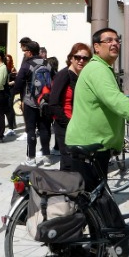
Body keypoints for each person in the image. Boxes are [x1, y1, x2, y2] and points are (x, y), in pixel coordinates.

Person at [65, 28, 129, 191]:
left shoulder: (103, 68)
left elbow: (110, 99)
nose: (114, 43)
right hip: (89, 146)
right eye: (109, 40)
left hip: (96, 146)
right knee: (91, 205)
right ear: (97, 47)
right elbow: (115, 100)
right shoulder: (97, 69)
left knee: (96, 204)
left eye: (117, 40)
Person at [50, 43, 91, 172]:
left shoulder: (80, 76)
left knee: (76, 159)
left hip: (76, 124)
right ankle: (66, 189)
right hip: (65, 124)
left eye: (85, 58)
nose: (81, 60)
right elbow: (54, 103)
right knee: (68, 160)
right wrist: (67, 123)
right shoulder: (64, 75)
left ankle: (74, 188)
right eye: (77, 57)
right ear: (71, 58)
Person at [13, 40, 52, 166]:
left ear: (29, 52)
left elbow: (18, 84)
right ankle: (46, 157)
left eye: (24, 51)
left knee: (31, 130)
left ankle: (31, 158)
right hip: (45, 101)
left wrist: (13, 96)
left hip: (30, 102)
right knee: (45, 129)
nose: (24, 53)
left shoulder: (26, 65)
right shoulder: (47, 64)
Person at [4, 54, 18, 136]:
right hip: (6, 89)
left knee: (10, 106)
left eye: (8, 60)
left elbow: (16, 79)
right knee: (7, 106)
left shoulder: (12, 68)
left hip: (11, 89)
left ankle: (12, 124)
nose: (7, 61)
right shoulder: (3, 67)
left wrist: (11, 82)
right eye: (6, 59)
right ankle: (11, 123)